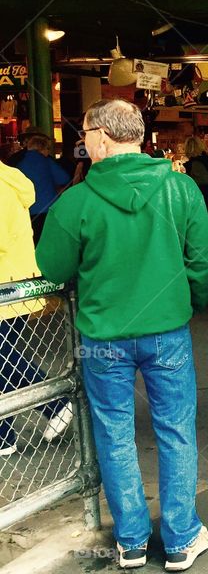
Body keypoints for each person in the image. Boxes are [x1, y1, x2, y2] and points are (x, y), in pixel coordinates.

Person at [35, 99, 208, 571]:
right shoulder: (181, 190)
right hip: (167, 332)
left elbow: (53, 268)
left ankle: (132, 541)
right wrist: (185, 305)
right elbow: (204, 265)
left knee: (115, 433)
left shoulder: (75, 200)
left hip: (102, 336)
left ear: (100, 138)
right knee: (176, 431)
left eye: (85, 135)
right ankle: (180, 539)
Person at [1, 161, 73, 457]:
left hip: (6, 285)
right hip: (14, 283)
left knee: (5, 360)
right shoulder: (10, 181)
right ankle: (4, 436)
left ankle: (55, 403)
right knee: (3, 361)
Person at [14, 132, 71, 243]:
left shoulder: (20, 165)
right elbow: (64, 179)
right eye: (47, 149)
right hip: (49, 209)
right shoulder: (46, 162)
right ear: (42, 149)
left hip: (28, 212)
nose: (48, 152)